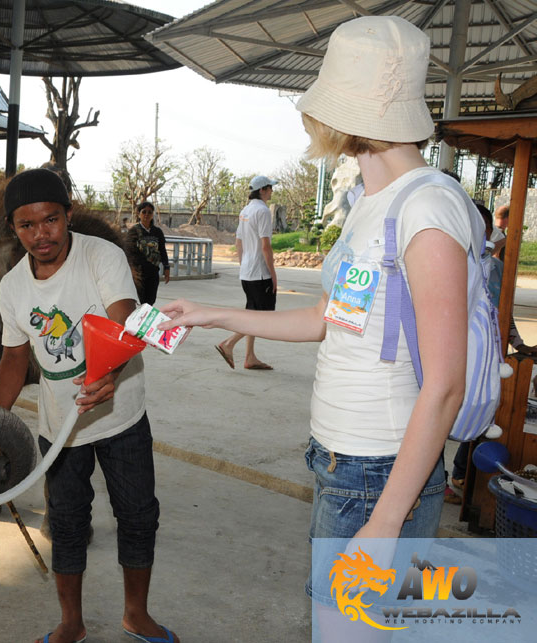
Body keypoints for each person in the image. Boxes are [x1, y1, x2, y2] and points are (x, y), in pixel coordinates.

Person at [159, 15, 472, 637]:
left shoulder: (428, 207)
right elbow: (332, 320)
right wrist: (211, 313)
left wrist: (385, 523)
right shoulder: (374, 206)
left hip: (380, 470)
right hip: (341, 461)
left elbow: (445, 386)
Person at [0, 169, 177, 643]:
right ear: (13, 228)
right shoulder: (12, 288)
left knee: (137, 515)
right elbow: (13, 359)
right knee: (68, 525)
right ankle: (71, 624)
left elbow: (122, 320)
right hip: (61, 429)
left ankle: (136, 614)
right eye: (26, 225)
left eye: (50, 220)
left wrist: (108, 372)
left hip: (121, 415)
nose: (40, 234)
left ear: (68, 215)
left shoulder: (102, 256)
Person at [216, 175, 278, 371]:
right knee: (262, 316)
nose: (272, 192)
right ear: (262, 190)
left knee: (252, 312)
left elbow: (238, 242)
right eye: (270, 188)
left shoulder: (245, 211)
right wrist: (273, 274)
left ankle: (250, 356)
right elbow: (266, 246)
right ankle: (229, 343)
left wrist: (244, 265)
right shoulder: (263, 211)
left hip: (247, 272)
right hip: (260, 273)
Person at [126, 202, 170, 305]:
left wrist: (166, 267)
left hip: (153, 272)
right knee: (140, 299)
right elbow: (129, 252)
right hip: (139, 273)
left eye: (149, 212)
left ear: (153, 214)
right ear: (139, 214)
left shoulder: (157, 232)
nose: (146, 214)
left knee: (150, 300)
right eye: (144, 212)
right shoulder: (134, 231)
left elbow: (162, 250)